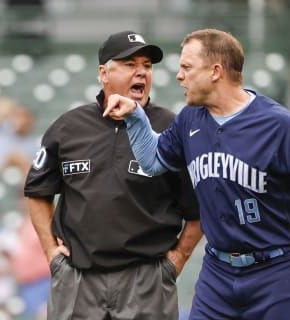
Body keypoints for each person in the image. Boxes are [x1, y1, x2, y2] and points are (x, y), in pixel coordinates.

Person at [104, 28, 290, 319]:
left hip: (276, 272)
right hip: (218, 272)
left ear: (215, 71)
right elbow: (153, 161)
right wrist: (135, 117)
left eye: (187, 67)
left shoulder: (278, 124)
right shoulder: (190, 119)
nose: (179, 76)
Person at [23, 30, 202, 320]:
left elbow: (200, 207)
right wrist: (51, 255)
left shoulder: (171, 129)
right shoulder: (69, 127)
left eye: (147, 65)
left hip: (145, 279)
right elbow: (37, 192)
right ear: (104, 73)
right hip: (79, 280)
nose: (141, 73)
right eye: (130, 64)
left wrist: (177, 260)